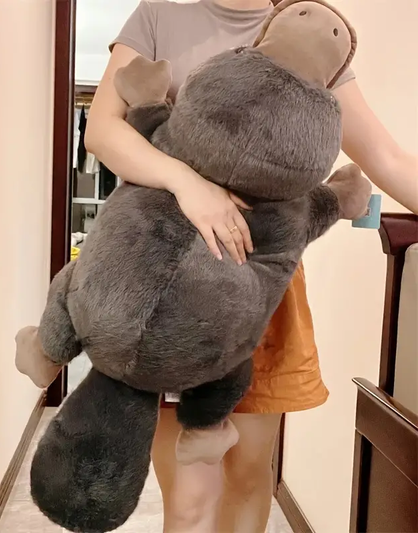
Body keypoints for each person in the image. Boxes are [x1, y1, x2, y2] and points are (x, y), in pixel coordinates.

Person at [85, 1, 418, 531]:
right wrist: (187, 184)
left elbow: (388, 158)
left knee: (246, 473)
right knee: (189, 497)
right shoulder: (160, 15)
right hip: (166, 285)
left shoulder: (307, 28)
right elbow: (103, 131)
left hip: (261, 290)